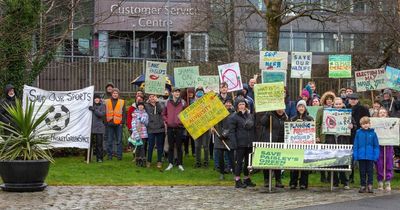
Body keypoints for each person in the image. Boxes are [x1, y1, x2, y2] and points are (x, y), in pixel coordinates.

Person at [323, 97, 353, 189]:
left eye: (340, 104)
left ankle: (345, 182)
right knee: (333, 162)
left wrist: (352, 126)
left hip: (343, 141)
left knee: (343, 162)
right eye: (336, 104)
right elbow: (324, 126)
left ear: (342, 104)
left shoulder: (348, 114)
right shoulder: (328, 113)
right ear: (333, 104)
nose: (338, 106)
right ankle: (335, 182)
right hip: (332, 141)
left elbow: (354, 125)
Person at [229, 98, 256, 188]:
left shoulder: (250, 116)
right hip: (240, 143)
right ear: (237, 106)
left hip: (249, 142)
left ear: (246, 105)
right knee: (239, 162)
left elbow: (253, 129)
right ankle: (237, 180)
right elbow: (231, 131)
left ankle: (247, 178)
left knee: (248, 163)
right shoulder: (234, 117)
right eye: (240, 104)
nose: (241, 106)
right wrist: (234, 143)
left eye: (243, 104)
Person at [260, 109, 288, 188]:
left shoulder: (285, 117)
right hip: (269, 141)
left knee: (278, 161)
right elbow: (262, 122)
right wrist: (267, 114)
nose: (281, 110)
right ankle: (266, 180)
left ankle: (278, 180)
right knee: (267, 161)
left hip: (280, 142)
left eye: (282, 108)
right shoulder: (271, 115)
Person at [289, 100, 313, 190]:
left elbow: (312, 130)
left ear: (305, 108)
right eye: (299, 106)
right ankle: (293, 183)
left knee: (304, 165)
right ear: (297, 108)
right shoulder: (293, 118)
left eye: (302, 106)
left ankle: (303, 183)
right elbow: (289, 130)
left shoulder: (310, 118)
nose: (301, 108)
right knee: (294, 164)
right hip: (295, 144)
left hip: (306, 144)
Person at [353, 116, 380, 193]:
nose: (365, 125)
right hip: (361, 156)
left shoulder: (373, 134)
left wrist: (375, 156)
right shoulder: (358, 133)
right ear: (361, 125)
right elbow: (356, 145)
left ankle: (370, 185)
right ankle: (363, 185)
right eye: (364, 124)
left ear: (369, 124)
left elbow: (376, 146)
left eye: (367, 123)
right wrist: (356, 155)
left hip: (370, 156)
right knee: (362, 171)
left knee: (370, 172)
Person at [347, 93, 370, 183]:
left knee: (357, 156)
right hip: (347, 135)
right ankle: (349, 176)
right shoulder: (345, 108)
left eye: (355, 99)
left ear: (357, 100)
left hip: (359, 134)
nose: (353, 100)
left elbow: (367, 121)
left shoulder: (363, 109)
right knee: (349, 156)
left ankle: (362, 178)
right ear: (349, 99)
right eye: (351, 99)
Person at [162, 88, 186, 171]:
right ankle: (170, 163)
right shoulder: (167, 102)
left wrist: (181, 121)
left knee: (179, 146)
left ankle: (180, 164)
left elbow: (186, 113)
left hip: (179, 127)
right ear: (172, 93)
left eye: (178, 92)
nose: (177, 93)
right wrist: (167, 121)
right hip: (170, 127)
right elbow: (163, 114)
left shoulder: (183, 102)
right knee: (171, 147)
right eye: (176, 92)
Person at [315, 91, 336, 183]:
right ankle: (323, 175)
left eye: (330, 99)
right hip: (323, 136)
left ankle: (330, 175)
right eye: (327, 99)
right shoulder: (321, 110)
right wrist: (317, 136)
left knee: (332, 156)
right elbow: (317, 124)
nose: (329, 101)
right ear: (324, 100)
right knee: (323, 156)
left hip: (332, 136)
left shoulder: (336, 110)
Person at [213, 99, 235, 180]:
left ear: (232, 104)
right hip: (219, 137)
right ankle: (222, 173)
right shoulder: (219, 112)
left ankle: (235, 173)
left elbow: (233, 126)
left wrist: (225, 134)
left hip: (229, 137)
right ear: (224, 104)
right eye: (226, 103)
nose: (228, 104)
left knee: (231, 157)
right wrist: (212, 127)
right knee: (220, 157)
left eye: (230, 103)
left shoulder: (234, 114)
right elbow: (214, 121)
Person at [145, 94, 165, 169]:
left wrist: (157, 102)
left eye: (153, 96)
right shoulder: (146, 106)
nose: (152, 98)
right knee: (150, 146)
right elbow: (139, 106)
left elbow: (161, 111)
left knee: (160, 146)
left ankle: (159, 161)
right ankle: (148, 161)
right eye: (150, 97)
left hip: (160, 128)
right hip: (151, 128)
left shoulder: (159, 104)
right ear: (148, 99)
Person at [105, 88, 126, 160]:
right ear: (112, 94)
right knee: (109, 141)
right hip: (109, 123)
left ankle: (119, 156)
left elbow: (124, 113)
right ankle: (109, 156)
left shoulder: (122, 102)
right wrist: (106, 122)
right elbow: (104, 112)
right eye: (114, 93)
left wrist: (122, 123)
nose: (115, 94)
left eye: (116, 93)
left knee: (119, 141)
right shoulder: (106, 101)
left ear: (118, 94)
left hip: (118, 124)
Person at [375, 108, 394, 192]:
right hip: (379, 146)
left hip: (388, 145)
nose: (382, 114)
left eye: (384, 112)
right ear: (378, 114)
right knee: (379, 163)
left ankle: (388, 181)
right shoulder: (375, 123)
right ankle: (380, 181)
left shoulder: (391, 122)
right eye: (380, 113)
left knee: (388, 162)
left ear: (386, 114)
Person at [193, 87, 211, 168]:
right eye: (198, 92)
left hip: (206, 127)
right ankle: (197, 162)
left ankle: (206, 162)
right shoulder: (192, 104)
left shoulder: (208, 103)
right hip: (197, 128)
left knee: (206, 146)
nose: (199, 94)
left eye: (201, 92)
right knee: (197, 146)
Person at [130, 102, 149, 167]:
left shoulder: (145, 114)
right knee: (138, 147)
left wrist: (138, 116)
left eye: (142, 105)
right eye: (139, 106)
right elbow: (133, 123)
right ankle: (138, 161)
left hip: (144, 133)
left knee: (143, 147)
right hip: (136, 133)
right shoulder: (134, 114)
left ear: (143, 106)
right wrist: (135, 133)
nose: (140, 107)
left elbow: (146, 122)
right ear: (137, 107)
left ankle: (143, 161)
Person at [89, 94, 106, 163]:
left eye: (97, 98)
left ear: (99, 99)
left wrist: (94, 110)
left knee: (99, 144)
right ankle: (88, 158)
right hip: (91, 127)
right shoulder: (90, 106)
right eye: (95, 98)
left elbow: (101, 114)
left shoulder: (103, 106)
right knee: (90, 144)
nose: (96, 99)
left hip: (99, 128)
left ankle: (99, 158)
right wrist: (92, 108)